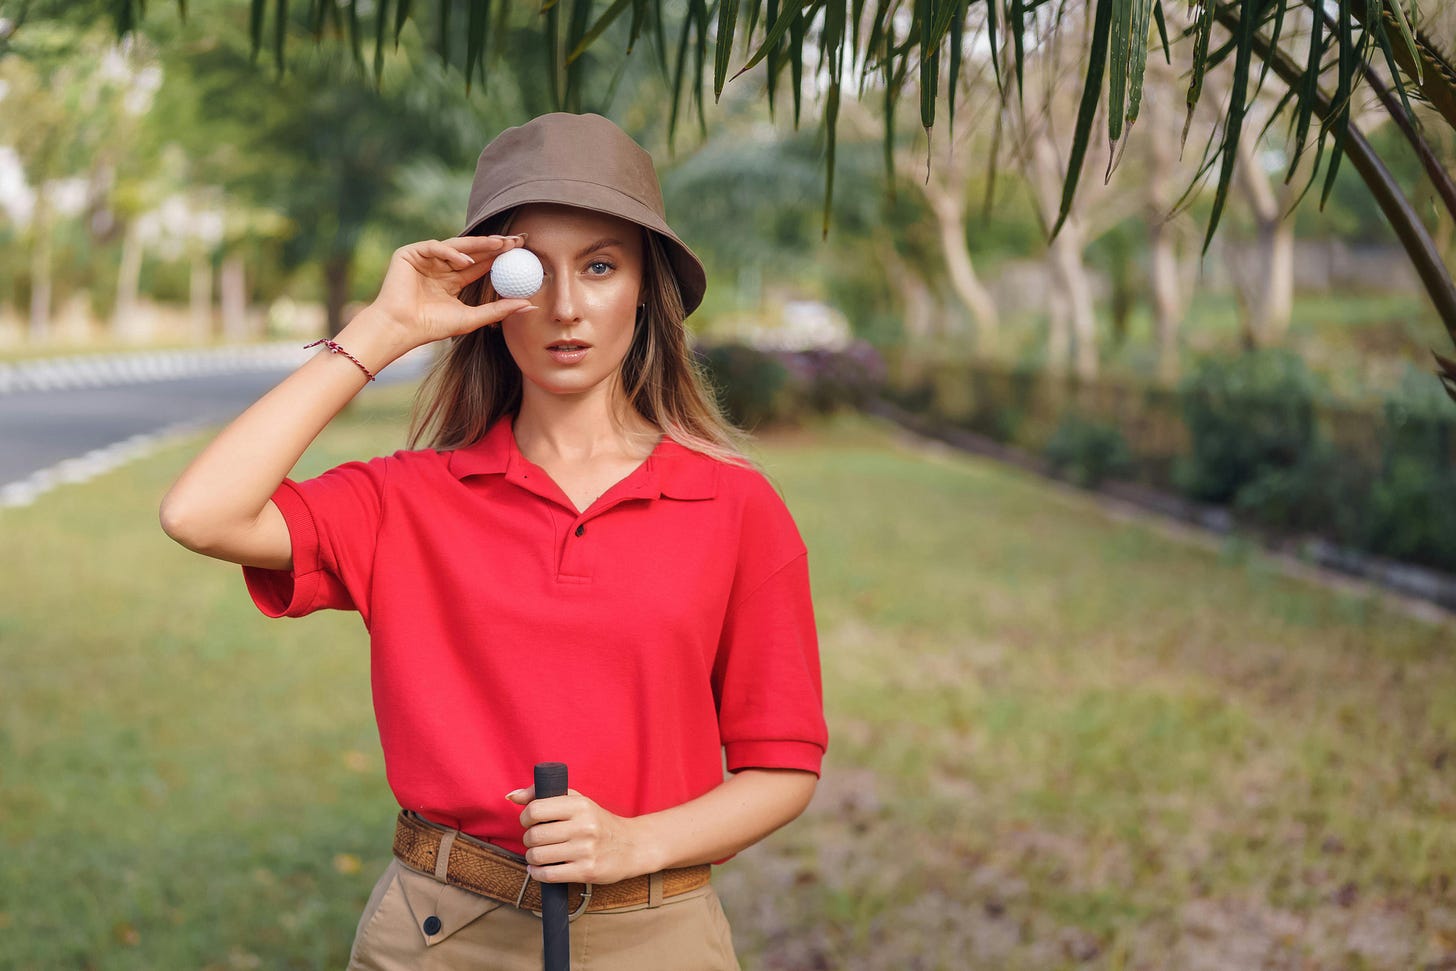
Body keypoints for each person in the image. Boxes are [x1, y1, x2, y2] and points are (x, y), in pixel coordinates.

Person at [159, 111, 827, 970]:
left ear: (643, 288)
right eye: (529, 271)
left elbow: (783, 767)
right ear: (486, 294)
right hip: (441, 936)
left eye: (599, 265)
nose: (564, 306)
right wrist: (383, 330)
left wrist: (630, 843)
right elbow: (199, 512)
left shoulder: (736, 505)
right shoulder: (408, 499)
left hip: (659, 936)